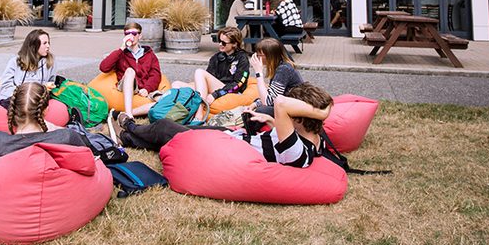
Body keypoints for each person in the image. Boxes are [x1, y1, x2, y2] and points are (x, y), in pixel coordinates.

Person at [110, 83, 333, 168]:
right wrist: (272, 122)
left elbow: (281, 103)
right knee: (181, 133)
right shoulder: (312, 139)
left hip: (225, 148)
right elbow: (284, 134)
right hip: (233, 136)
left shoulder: (297, 151)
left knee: (166, 127)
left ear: (301, 117)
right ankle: (128, 140)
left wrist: (321, 110)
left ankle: (129, 127)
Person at [0, 82, 86, 159]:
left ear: (14, 110)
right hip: (53, 184)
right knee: (87, 137)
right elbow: (87, 157)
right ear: (45, 110)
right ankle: (75, 125)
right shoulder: (67, 138)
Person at [98, 22, 163, 117]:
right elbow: (103, 67)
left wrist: (147, 88)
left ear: (139, 36)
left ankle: (125, 113)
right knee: (130, 71)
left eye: (134, 33)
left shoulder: (149, 54)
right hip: (127, 85)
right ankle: (129, 116)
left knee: (163, 100)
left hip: (144, 88)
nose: (130, 36)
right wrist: (122, 48)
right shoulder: (121, 54)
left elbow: (156, 74)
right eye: (127, 33)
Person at [174, 27, 249, 107]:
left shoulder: (242, 58)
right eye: (219, 41)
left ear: (234, 44)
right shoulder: (216, 57)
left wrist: (216, 94)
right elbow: (208, 78)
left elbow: (238, 84)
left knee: (199, 72)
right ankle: (182, 111)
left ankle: (199, 111)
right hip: (214, 88)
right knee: (176, 84)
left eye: (224, 43)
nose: (220, 44)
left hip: (228, 90)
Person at [0, 29, 57, 108]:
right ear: (34, 45)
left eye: (48, 43)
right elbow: (5, 87)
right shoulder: (15, 62)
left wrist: (47, 88)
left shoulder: (50, 62)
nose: (48, 46)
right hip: (16, 100)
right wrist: (27, 94)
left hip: (38, 101)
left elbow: (51, 83)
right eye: (44, 43)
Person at [249, 37, 304, 107]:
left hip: (296, 107)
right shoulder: (279, 66)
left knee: (261, 110)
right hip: (287, 105)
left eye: (259, 55)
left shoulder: (283, 69)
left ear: (269, 56)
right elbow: (271, 96)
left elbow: (267, 102)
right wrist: (255, 104)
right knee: (256, 103)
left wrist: (258, 72)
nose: (256, 57)